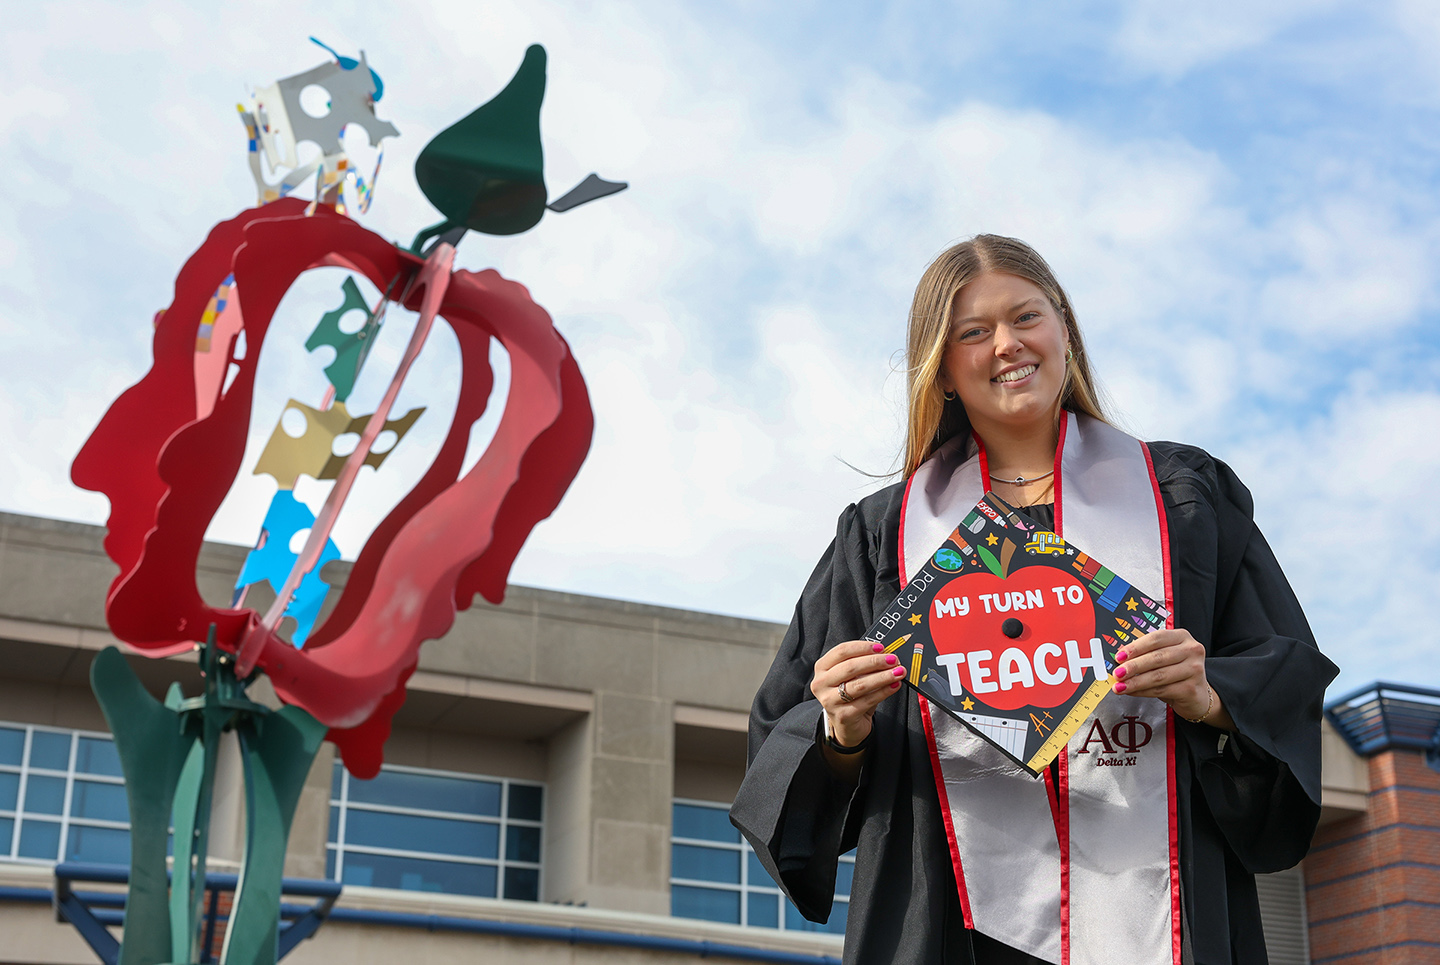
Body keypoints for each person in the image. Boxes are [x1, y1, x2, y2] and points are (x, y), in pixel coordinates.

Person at [730, 235, 1338, 965]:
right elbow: (786, 746)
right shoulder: (885, 536)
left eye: (1027, 317)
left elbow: (1283, 673)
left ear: (1066, 331)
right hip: (959, 925)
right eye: (973, 332)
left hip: (1163, 908)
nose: (1007, 344)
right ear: (944, 369)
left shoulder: (1184, 500)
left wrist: (1212, 697)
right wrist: (842, 728)